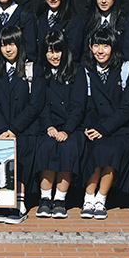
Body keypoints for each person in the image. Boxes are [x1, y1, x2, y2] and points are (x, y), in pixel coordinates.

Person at [0, 24, 44, 224]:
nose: (8, 49)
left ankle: (19, 205)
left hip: (25, 129)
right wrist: (3, 129)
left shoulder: (32, 69)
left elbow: (35, 104)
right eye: (4, 45)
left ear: (20, 44)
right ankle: (6, 204)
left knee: (20, 158)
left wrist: (14, 129)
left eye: (12, 44)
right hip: (2, 130)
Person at [78, 27, 129, 220]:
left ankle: (100, 199)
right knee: (94, 146)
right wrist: (93, 128)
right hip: (96, 124)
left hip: (121, 127)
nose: (100, 51)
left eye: (105, 46)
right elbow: (87, 105)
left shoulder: (126, 68)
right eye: (96, 45)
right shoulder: (86, 69)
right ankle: (88, 198)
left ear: (113, 47)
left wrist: (104, 128)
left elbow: (127, 107)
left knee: (112, 149)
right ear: (90, 47)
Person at [34, 29, 86, 219]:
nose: (54, 56)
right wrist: (49, 126)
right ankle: (45, 198)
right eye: (50, 51)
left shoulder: (76, 70)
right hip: (48, 125)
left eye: (58, 51)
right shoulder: (40, 71)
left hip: (70, 126)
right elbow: (39, 103)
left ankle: (60, 199)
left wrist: (67, 129)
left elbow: (78, 105)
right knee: (47, 146)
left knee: (68, 147)